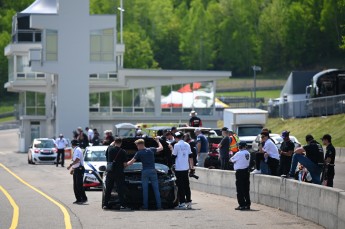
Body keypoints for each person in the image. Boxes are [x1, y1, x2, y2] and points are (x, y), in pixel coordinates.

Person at [127, 138, 163, 210]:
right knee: (156, 189)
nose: (137, 147)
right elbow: (161, 148)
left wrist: (124, 164)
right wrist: (158, 141)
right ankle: (159, 206)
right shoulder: (151, 149)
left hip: (145, 172)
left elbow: (131, 162)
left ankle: (145, 206)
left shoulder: (139, 153)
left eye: (137, 145)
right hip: (153, 171)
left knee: (145, 190)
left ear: (140, 145)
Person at [103, 138, 129, 210]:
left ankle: (105, 205)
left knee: (108, 189)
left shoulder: (109, 149)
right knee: (120, 189)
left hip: (110, 172)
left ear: (114, 142)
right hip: (119, 173)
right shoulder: (123, 151)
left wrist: (113, 142)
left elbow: (110, 145)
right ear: (121, 143)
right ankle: (122, 206)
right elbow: (124, 164)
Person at [172, 132, 194, 210]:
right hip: (186, 167)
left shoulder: (176, 145)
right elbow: (190, 156)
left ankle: (182, 203)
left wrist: (171, 149)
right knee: (187, 185)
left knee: (180, 186)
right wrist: (192, 167)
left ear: (176, 138)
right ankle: (189, 202)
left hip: (178, 168)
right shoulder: (187, 145)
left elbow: (174, 156)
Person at [230, 141, 251, 210]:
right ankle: (247, 204)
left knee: (240, 189)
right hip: (246, 171)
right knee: (246, 189)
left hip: (240, 172)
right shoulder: (248, 153)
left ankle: (242, 204)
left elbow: (231, 160)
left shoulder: (239, 153)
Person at [67, 140, 88, 204]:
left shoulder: (78, 150)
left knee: (79, 185)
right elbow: (76, 161)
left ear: (73, 144)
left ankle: (84, 198)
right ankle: (78, 199)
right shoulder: (76, 149)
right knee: (75, 186)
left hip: (79, 169)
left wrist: (70, 165)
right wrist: (73, 168)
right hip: (76, 169)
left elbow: (77, 159)